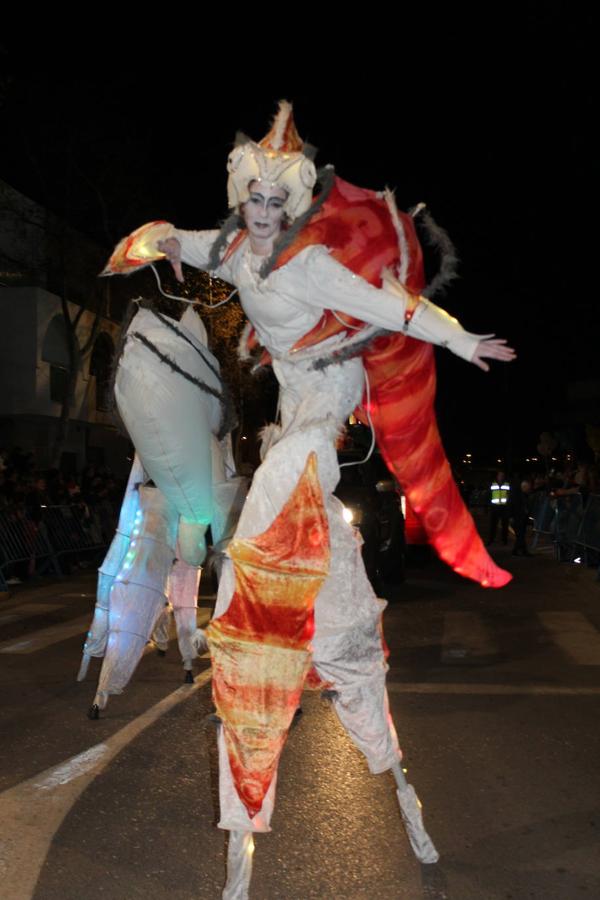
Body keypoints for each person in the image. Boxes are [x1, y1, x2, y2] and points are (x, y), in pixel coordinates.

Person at [141, 100, 514, 893]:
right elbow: (171, 237)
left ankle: (248, 601)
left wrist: (461, 338)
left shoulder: (310, 265)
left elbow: (396, 307)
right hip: (291, 410)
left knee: (293, 476)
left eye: (281, 202)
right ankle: (382, 781)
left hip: (324, 403)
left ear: (298, 202)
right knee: (321, 584)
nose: (268, 214)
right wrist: (155, 248)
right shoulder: (236, 249)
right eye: (257, 200)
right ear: (243, 199)